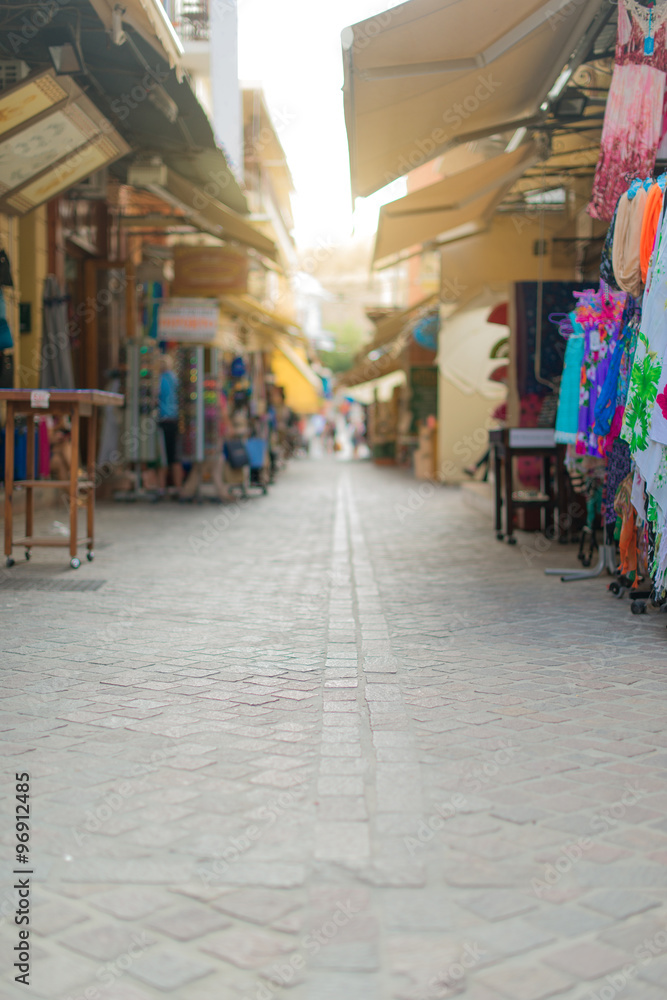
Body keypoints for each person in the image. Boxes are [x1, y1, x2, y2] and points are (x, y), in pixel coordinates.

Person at [158, 354, 183, 493]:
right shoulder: (175, 379)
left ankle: (162, 488)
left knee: (163, 455)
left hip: (164, 419)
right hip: (175, 419)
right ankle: (178, 487)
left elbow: (156, 398)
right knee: (175, 455)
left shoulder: (160, 380)